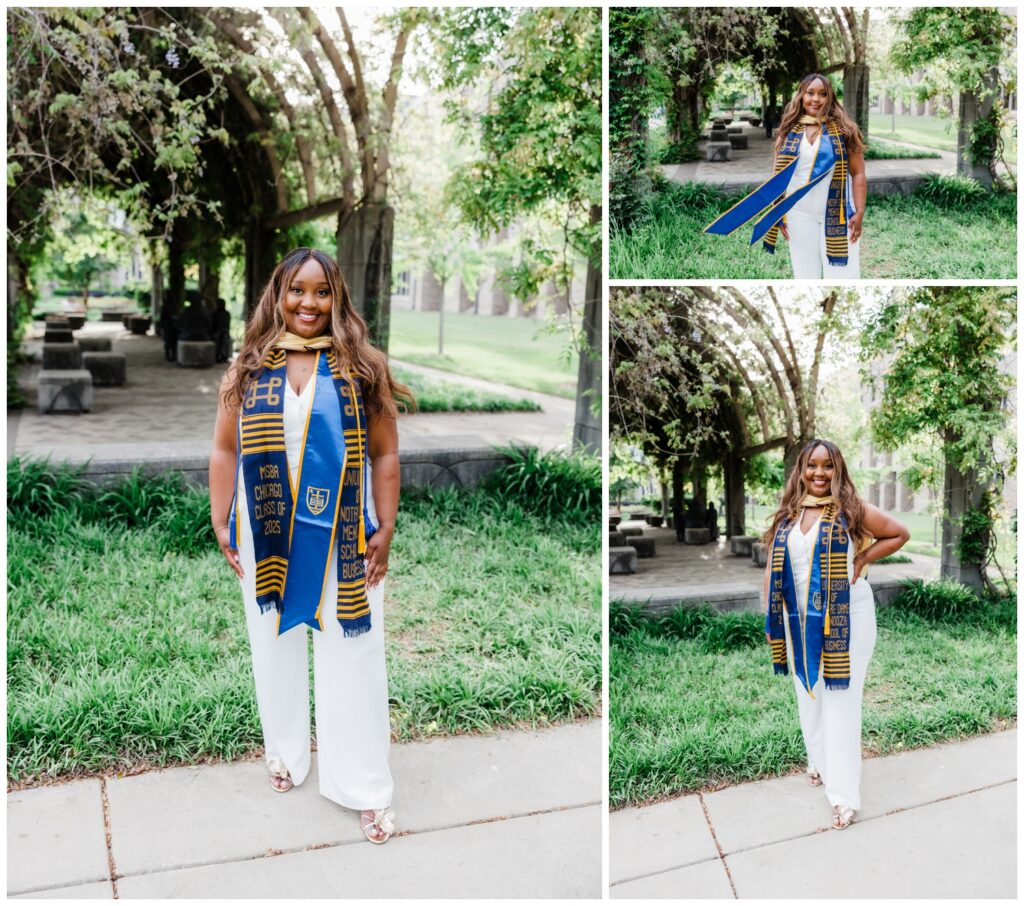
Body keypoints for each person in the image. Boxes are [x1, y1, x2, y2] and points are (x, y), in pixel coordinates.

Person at [208, 247, 414, 845]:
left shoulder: (361, 366)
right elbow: (224, 449)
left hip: (346, 534)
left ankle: (365, 786)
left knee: (353, 653)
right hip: (266, 527)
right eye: (297, 290)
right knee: (274, 644)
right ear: (278, 295)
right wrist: (221, 520)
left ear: (337, 297)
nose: (309, 302)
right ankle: (286, 753)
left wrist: (386, 528)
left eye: (321, 291)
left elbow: (386, 454)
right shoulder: (248, 368)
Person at [761, 439, 909, 831]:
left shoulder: (851, 509)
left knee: (840, 701)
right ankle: (819, 760)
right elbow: (772, 569)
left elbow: (898, 533)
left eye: (827, 465)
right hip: (797, 621)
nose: (819, 473)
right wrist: (770, 620)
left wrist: (862, 557)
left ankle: (843, 796)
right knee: (808, 695)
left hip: (848, 619)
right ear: (801, 469)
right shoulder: (789, 514)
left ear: (838, 469)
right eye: (812, 465)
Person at [705, 74, 867, 280]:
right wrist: (779, 213)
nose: (816, 99)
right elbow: (778, 177)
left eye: (822, 94)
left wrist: (859, 212)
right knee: (805, 275)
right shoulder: (788, 131)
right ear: (801, 96)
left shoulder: (845, 130)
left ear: (830, 97)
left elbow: (858, 173)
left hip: (840, 214)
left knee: (843, 277)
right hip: (799, 213)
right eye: (810, 93)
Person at [212, 297, 231, 363]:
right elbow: (213, 326)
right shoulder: (214, 314)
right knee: (217, 337)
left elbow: (226, 325)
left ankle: (223, 356)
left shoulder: (226, 314)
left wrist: (221, 332)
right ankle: (217, 356)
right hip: (216, 333)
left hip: (224, 332)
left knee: (224, 338)